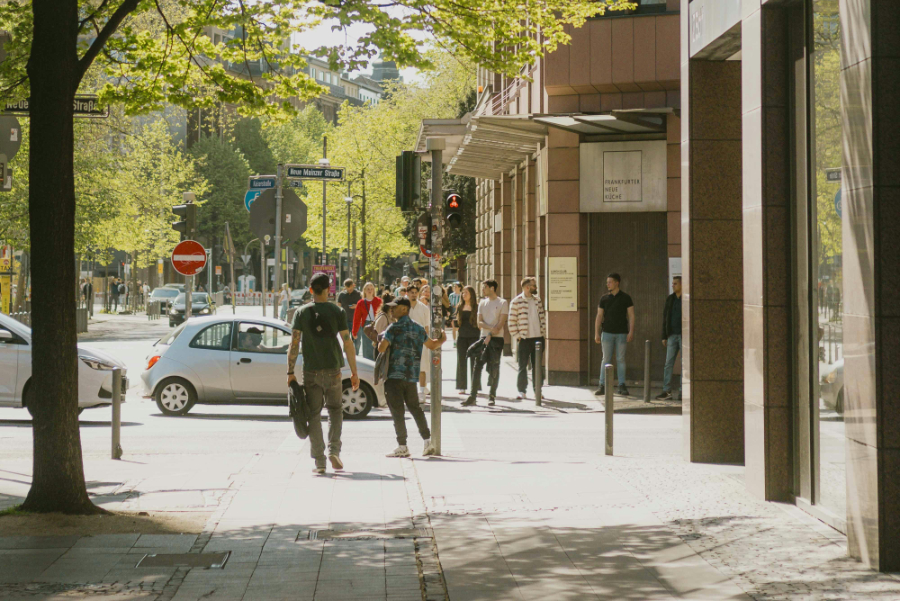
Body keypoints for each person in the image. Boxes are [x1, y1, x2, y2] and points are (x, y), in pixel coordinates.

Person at [287, 273, 360, 475]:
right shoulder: (337, 311)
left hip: (311, 370)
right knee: (335, 409)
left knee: (314, 414)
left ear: (311, 290)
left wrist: (290, 372)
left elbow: (293, 344)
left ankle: (319, 461)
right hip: (333, 370)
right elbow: (347, 342)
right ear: (329, 289)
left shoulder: (301, 312)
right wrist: (354, 372)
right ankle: (334, 450)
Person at [378, 298, 446, 457]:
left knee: (397, 412)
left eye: (394, 308)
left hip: (394, 376)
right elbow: (432, 345)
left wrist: (378, 338)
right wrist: (442, 339)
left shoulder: (393, 328)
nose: (391, 310)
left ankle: (402, 446)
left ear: (403, 309)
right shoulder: (418, 328)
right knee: (415, 409)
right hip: (411, 377)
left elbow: (382, 348)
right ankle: (427, 441)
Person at [463, 280, 508, 407]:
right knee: (477, 366)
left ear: (492, 288)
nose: (483, 289)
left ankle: (492, 395)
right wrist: (488, 332)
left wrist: (490, 334)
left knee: (494, 366)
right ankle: (473, 396)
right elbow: (479, 323)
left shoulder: (502, 303)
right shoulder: (482, 303)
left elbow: (500, 323)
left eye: (485, 287)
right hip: (483, 338)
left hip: (497, 339)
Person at [594, 272, 634, 396]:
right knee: (605, 359)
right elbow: (599, 316)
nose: (608, 284)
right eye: (607, 282)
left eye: (610, 282)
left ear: (617, 283)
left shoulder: (626, 297)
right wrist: (596, 333)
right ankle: (602, 385)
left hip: (622, 333)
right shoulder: (604, 298)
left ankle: (622, 385)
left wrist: (631, 331)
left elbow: (631, 315)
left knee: (620, 359)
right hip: (606, 333)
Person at [507, 277, 547, 400]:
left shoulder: (537, 300)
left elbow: (542, 318)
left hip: (538, 338)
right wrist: (518, 337)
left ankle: (537, 391)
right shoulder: (516, 301)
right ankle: (521, 391)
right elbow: (511, 321)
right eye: (534, 286)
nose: (536, 288)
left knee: (537, 366)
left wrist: (543, 333)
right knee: (522, 366)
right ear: (527, 287)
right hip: (524, 339)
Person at [657, 276, 683, 400]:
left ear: (682, 285)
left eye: (675, 283)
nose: (673, 285)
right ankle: (666, 390)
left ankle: (683, 391)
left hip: (684, 335)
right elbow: (665, 318)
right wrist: (664, 335)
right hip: (672, 335)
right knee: (668, 364)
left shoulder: (686, 299)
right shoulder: (670, 299)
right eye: (672, 283)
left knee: (685, 364)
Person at [454, 285, 480, 394]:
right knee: (461, 361)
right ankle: (462, 386)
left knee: (475, 361)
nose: (464, 295)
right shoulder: (459, 306)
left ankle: (475, 386)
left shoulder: (477, 307)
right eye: (463, 293)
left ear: (471, 295)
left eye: (466, 293)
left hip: (475, 336)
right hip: (462, 336)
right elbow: (457, 322)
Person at [406, 284, 431, 399]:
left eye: (416, 292)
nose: (414, 294)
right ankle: (409, 391)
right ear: (407, 293)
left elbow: (426, 327)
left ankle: (421, 391)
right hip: (406, 342)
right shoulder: (403, 307)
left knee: (422, 367)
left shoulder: (424, 308)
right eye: (412, 292)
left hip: (420, 342)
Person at [352, 282, 382, 360]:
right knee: (366, 347)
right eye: (368, 289)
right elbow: (357, 318)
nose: (370, 290)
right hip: (366, 326)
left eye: (371, 289)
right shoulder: (361, 303)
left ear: (374, 290)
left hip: (377, 325)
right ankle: (368, 366)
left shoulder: (379, 301)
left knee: (377, 345)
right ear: (364, 290)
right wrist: (354, 332)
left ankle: (376, 364)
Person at [337, 279, 362, 353]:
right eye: (347, 288)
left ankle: (356, 356)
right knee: (346, 341)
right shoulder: (342, 295)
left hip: (356, 322)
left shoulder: (358, 294)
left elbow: (363, 306)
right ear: (345, 287)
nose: (349, 289)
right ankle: (346, 356)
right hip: (345, 321)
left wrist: (356, 306)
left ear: (353, 285)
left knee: (357, 341)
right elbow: (339, 307)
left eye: (350, 287)